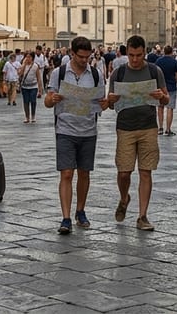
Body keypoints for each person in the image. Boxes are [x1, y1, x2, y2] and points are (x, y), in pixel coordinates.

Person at [46, 36, 112, 234]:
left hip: (88, 130)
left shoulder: (96, 74)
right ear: (72, 53)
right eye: (81, 57)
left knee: (84, 173)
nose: (84, 60)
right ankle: (65, 217)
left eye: (87, 57)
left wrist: (105, 103)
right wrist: (52, 98)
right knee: (66, 173)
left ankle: (80, 210)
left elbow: (102, 103)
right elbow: (48, 102)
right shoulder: (59, 73)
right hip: (65, 129)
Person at [107, 34, 169, 231]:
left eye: (139, 55)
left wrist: (162, 97)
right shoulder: (118, 73)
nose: (135, 59)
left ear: (145, 53)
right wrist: (111, 100)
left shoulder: (154, 70)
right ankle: (124, 198)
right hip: (125, 127)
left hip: (148, 126)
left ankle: (142, 216)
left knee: (145, 171)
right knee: (124, 172)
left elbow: (165, 99)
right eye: (131, 55)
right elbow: (110, 105)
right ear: (127, 53)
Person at [155, 45, 177, 136]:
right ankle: (168, 129)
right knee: (170, 108)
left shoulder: (158, 61)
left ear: (164, 51)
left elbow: (155, 73)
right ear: (171, 52)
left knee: (160, 107)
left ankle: (160, 128)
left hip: (160, 87)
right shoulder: (174, 62)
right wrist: (176, 80)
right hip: (171, 87)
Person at [16, 53, 42, 124]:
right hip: (25, 86)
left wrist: (40, 90)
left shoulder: (35, 66)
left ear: (32, 58)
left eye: (29, 57)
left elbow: (38, 78)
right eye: (26, 57)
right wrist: (23, 65)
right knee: (26, 102)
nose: (28, 58)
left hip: (33, 86)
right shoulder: (23, 66)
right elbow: (20, 74)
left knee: (33, 101)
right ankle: (27, 117)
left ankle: (33, 116)